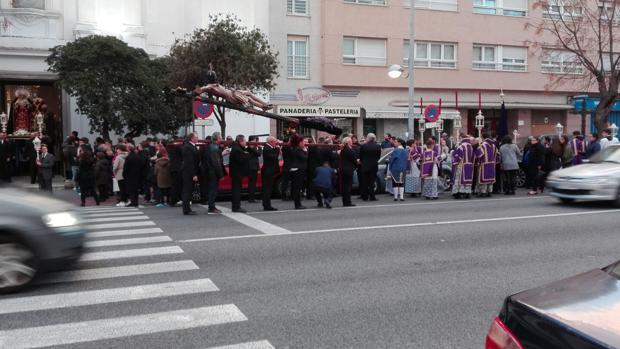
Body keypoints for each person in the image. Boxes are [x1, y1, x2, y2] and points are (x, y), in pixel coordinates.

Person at [203, 132, 226, 214]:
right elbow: (216, 163)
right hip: (213, 172)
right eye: (220, 137)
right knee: (213, 190)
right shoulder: (214, 148)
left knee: (212, 189)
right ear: (217, 138)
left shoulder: (210, 146)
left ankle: (211, 206)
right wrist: (221, 175)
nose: (221, 138)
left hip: (209, 171)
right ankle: (211, 207)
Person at [229, 135, 250, 213]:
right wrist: (247, 155)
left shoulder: (238, 148)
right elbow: (241, 160)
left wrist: (245, 152)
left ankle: (236, 206)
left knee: (237, 190)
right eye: (244, 141)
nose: (245, 143)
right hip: (237, 173)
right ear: (241, 141)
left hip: (237, 173)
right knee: (236, 191)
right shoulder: (237, 149)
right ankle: (236, 207)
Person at [358, 133, 382, 201]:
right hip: (374, 166)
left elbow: (361, 156)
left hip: (365, 166)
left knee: (364, 182)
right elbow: (378, 157)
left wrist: (363, 162)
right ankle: (372, 196)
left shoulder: (363, 146)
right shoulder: (378, 146)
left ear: (368, 138)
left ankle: (365, 197)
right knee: (372, 182)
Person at [475, 133, 499, 198]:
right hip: (492, 164)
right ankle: (490, 192)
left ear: (483, 137)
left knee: (484, 180)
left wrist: (478, 163)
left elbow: (479, 156)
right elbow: (497, 155)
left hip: (484, 165)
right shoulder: (493, 145)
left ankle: (483, 192)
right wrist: (495, 162)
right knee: (490, 179)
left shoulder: (482, 145)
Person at [181, 133, 200, 215]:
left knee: (188, 191)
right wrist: (194, 174)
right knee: (187, 191)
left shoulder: (192, 146)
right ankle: (186, 209)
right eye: (196, 137)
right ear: (192, 138)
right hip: (188, 173)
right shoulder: (188, 147)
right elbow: (190, 163)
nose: (198, 138)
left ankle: (187, 208)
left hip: (189, 172)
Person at [289, 134, 308, 209]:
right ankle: (298, 204)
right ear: (299, 142)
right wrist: (305, 150)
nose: (304, 143)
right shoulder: (298, 149)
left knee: (296, 187)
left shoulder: (293, 148)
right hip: (298, 170)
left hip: (296, 169)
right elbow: (304, 158)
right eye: (303, 142)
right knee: (297, 188)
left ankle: (297, 204)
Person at [261, 136, 280, 211]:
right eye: (275, 142)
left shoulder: (270, 148)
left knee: (268, 189)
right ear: (271, 142)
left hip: (270, 171)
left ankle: (267, 204)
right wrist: (278, 149)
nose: (276, 143)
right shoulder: (267, 148)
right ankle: (266, 205)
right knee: (267, 189)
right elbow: (274, 157)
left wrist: (276, 148)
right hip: (268, 172)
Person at [339, 136, 358, 207]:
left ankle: (345, 202)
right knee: (348, 186)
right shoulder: (349, 150)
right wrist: (357, 163)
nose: (352, 141)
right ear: (348, 142)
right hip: (348, 170)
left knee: (345, 186)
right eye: (350, 141)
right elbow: (354, 160)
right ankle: (348, 202)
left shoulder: (343, 149)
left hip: (343, 169)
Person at [168, 137, 183, 206]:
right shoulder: (179, 148)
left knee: (174, 185)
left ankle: (173, 200)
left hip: (173, 168)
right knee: (177, 186)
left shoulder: (171, 148)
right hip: (178, 169)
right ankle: (175, 200)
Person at [246, 135, 261, 203]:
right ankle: (251, 198)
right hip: (252, 167)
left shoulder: (251, 146)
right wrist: (260, 148)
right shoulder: (251, 146)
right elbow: (258, 154)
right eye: (255, 140)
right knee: (252, 183)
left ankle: (251, 197)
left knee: (252, 183)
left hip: (252, 167)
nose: (256, 141)